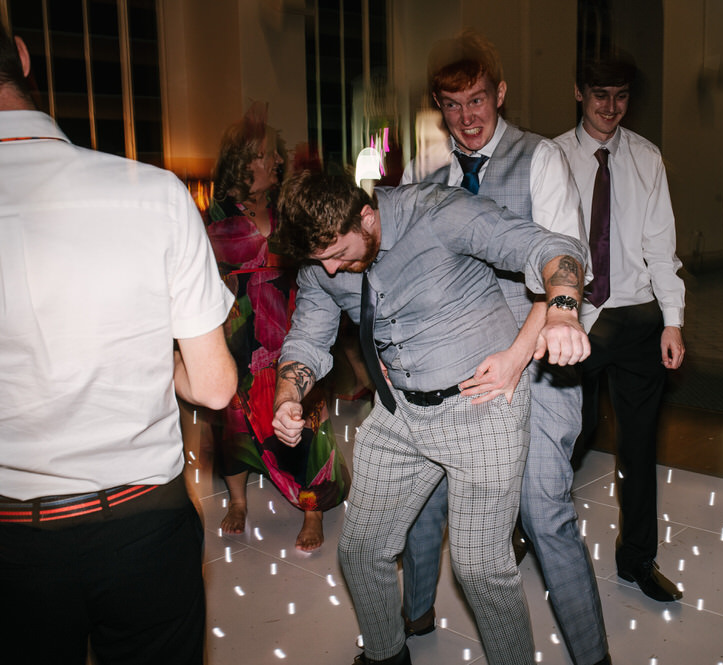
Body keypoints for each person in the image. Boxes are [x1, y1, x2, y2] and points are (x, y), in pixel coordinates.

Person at [270, 170, 591, 665]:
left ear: (367, 217)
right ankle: (385, 655)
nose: (330, 271)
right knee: (359, 551)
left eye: (337, 254)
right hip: (398, 412)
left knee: (480, 568)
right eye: (319, 262)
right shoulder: (322, 260)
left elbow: (553, 247)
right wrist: (287, 397)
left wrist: (563, 312)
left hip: (482, 409)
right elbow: (307, 339)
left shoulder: (440, 212)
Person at [0, 23, 237, 664]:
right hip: (141, 525)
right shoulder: (155, 195)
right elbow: (215, 386)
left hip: (13, 538)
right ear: (22, 56)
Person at [398, 30, 610, 665]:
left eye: (477, 100)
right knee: (421, 497)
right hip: (449, 366)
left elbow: (563, 265)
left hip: (537, 364)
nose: (466, 117)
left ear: (501, 93)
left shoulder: (540, 160)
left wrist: (518, 359)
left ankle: (593, 659)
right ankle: (411, 621)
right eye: (452, 103)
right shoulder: (423, 174)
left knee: (544, 514)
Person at [554, 56, 687, 602]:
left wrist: (673, 321)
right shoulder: (554, 157)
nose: (611, 108)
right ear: (579, 92)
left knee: (638, 447)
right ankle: (533, 527)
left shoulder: (646, 157)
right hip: (575, 319)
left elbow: (661, 249)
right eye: (601, 95)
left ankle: (637, 560)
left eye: (622, 97)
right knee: (566, 436)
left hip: (636, 318)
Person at [206, 104, 349, 552]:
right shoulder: (217, 213)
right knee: (233, 420)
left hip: (290, 324)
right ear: (244, 160)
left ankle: (313, 507)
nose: (277, 161)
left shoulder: (285, 206)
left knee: (306, 412)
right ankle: (238, 501)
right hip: (240, 332)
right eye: (267, 154)